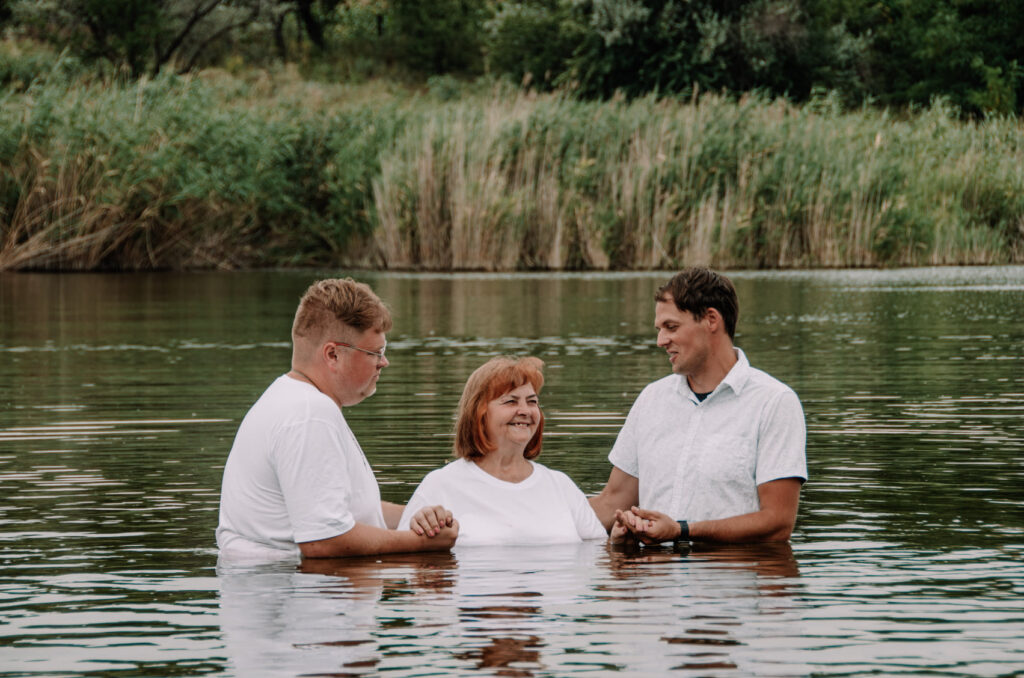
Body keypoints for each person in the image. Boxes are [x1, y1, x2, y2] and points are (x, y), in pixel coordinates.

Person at [216, 278, 457, 560]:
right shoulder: (310, 415)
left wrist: (422, 517)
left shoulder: (291, 400)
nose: (384, 362)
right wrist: (421, 544)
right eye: (375, 353)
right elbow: (324, 541)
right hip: (300, 593)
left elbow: (346, 509)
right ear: (333, 355)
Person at [589, 267, 807, 545]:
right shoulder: (651, 399)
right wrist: (529, 509)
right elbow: (613, 502)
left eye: (671, 327)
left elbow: (778, 523)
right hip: (654, 581)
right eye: (659, 329)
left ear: (711, 320)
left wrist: (682, 530)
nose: (660, 341)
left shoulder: (774, 402)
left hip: (728, 579)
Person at [398, 356, 607, 546]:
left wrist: (623, 538)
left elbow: (600, 558)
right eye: (511, 401)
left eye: (532, 401)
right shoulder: (440, 485)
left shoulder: (560, 485)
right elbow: (407, 565)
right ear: (478, 413)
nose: (525, 411)